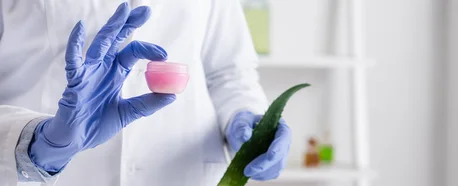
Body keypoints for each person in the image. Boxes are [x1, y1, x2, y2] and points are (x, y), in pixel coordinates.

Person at [0, 1, 291, 186]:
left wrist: (242, 115)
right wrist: (33, 142)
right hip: (47, 173)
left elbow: (228, 69)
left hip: (182, 172)